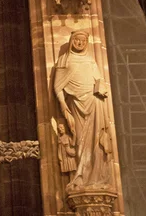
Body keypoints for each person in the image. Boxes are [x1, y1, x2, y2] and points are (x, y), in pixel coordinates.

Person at [54, 31, 112, 189]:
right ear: (72, 41)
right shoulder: (64, 60)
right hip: (76, 104)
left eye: (83, 41)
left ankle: (98, 177)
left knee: (97, 139)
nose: (80, 43)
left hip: (94, 101)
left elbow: (99, 80)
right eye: (77, 40)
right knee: (80, 139)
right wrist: (62, 103)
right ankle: (81, 176)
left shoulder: (91, 60)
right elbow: (57, 86)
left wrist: (101, 90)